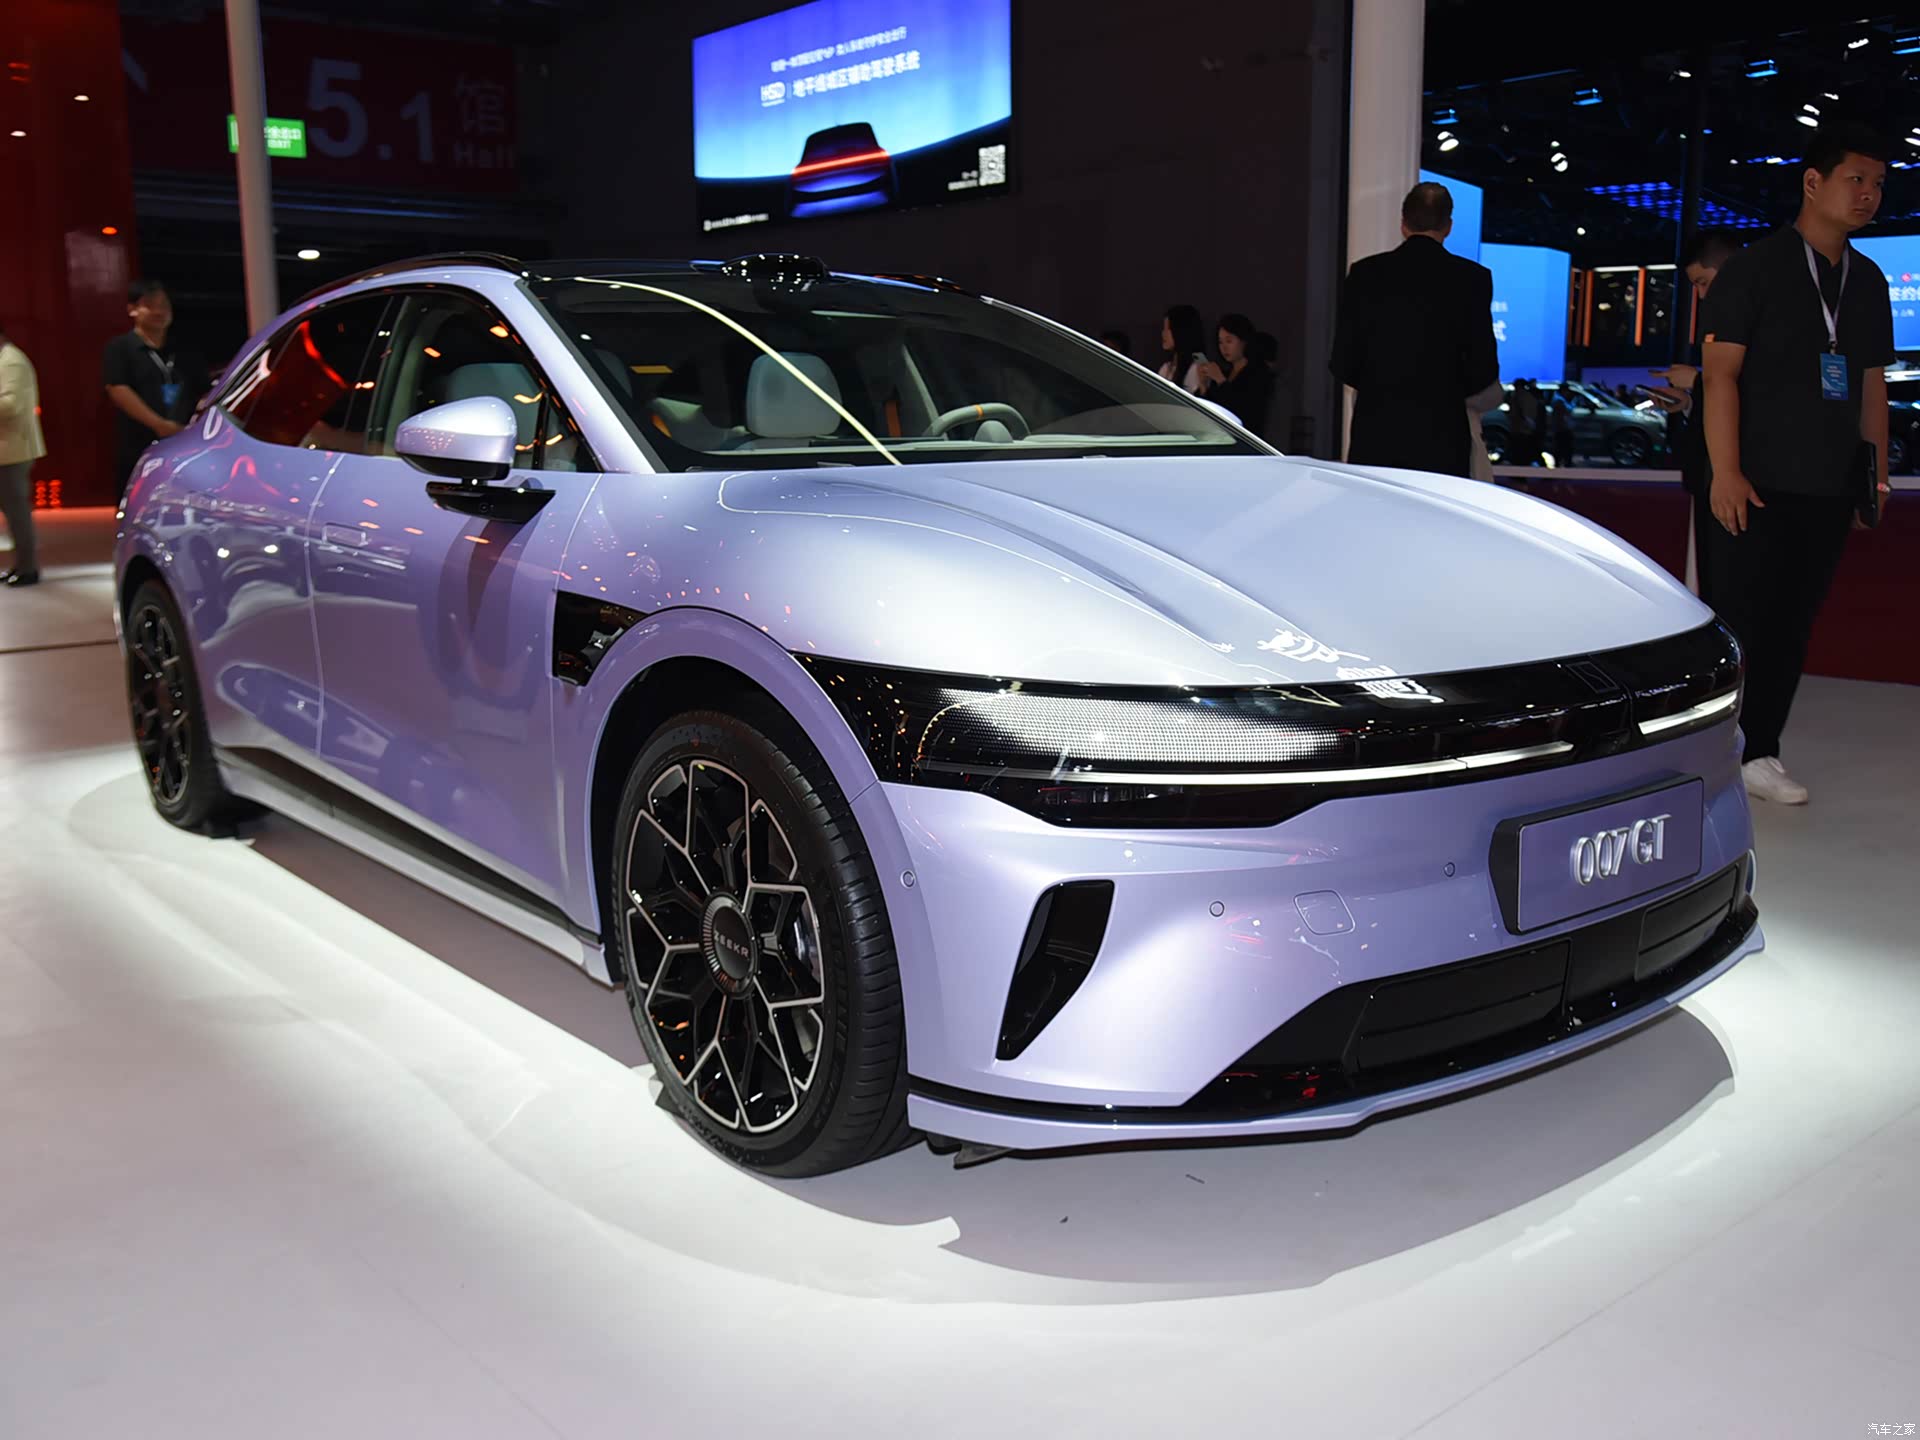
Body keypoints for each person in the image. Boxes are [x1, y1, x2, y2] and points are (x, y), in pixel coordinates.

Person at [1700, 127, 1895, 805]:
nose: (1868, 195)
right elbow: (1719, 376)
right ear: (1813, 182)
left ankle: (1760, 750)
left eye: (1878, 184)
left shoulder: (1868, 280)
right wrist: (1725, 471)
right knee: (1738, 624)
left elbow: (1871, 383)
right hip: (1753, 482)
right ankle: (1710, 752)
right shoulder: (1754, 269)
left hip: (1828, 484)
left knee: (1792, 625)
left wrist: (1874, 475)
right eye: (1855, 179)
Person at [1330, 181, 1499, 476]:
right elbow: (1484, 368)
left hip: (1375, 433)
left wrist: (1380, 387)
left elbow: (1343, 362)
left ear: (1403, 223)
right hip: (1443, 437)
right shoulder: (1473, 279)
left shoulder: (1365, 274)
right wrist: (1444, 392)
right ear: (1448, 226)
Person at [1648, 230, 1745, 600]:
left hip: (1735, 484)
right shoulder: (1726, 320)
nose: (1702, 295)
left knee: (1731, 593)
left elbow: (1755, 395)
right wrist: (1690, 402)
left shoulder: (1760, 320)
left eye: (1703, 282)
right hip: (1713, 481)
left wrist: (1698, 383)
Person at [102, 280, 198, 499]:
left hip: (183, 442)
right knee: (136, 501)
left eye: (164, 305)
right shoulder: (120, 348)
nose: (159, 311)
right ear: (132, 309)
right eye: (150, 305)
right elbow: (117, 389)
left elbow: (201, 389)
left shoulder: (184, 350)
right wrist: (159, 425)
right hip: (138, 444)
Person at [0, 319, 45, 587]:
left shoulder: (12, 361)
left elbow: (10, 406)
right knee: (13, 511)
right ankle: (20, 564)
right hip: (7, 448)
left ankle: (28, 568)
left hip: (13, 449)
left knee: (17, 512)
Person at [1197, 312, 1273, 432]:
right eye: (1220, 342)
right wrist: (1203, 386)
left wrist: (1221, 380)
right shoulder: (1226, 372)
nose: (1224, 348)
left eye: (1229, 341)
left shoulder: (1257, 373)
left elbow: (1243, 409)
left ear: (1244, 341)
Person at [1157, 305, 1207, 393]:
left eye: (1168, 329)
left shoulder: (1199, 364)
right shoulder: (1166, 368)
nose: (1163, 334)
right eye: (1164, 328)